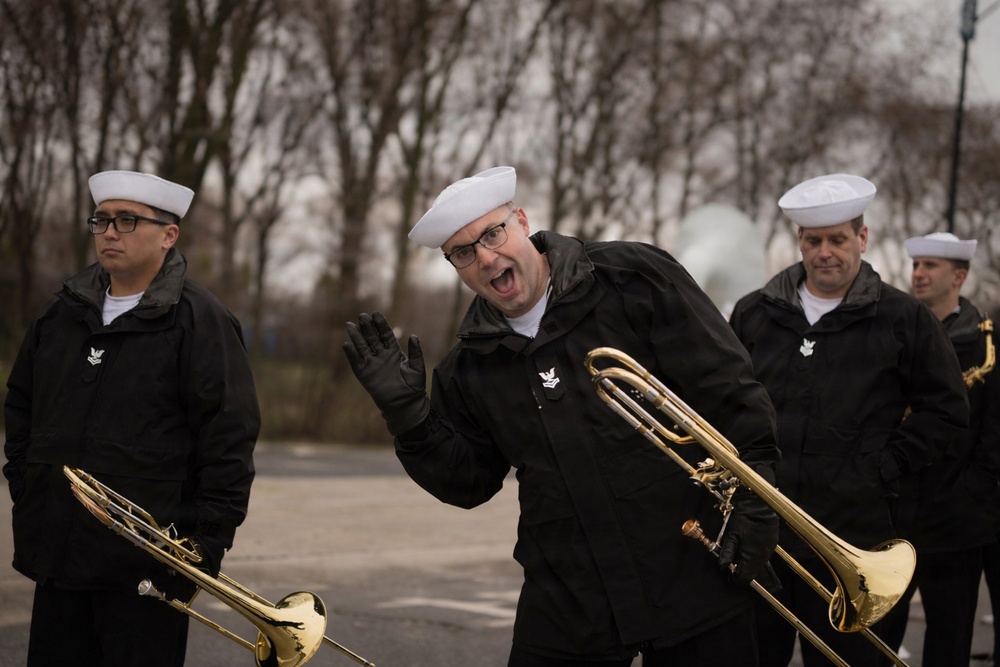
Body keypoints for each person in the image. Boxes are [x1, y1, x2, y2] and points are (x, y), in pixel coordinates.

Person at [344, 166, 782, 666]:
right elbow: (468, 482)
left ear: (522, 222)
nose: (486, 257)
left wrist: (757, 493)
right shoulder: (468, 367)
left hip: (695, 567)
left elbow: (730, 389)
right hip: (568, 600)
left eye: (493, 233)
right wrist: (407, 417)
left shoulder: (634, 278)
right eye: (464, 252)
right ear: (455, 266)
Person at [3, 170, 261, 667]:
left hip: (146, 571)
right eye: (101, 220)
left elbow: (228, 438)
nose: (109, 232)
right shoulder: (59, 314)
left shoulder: (201, 320)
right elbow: (21, 411)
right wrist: (31, 490)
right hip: (58, 558)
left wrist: (206, 543)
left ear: (169, 235)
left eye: (127, 220)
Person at [727, 174, 970, 667]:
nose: (824, 252)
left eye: (837, 239)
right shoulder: (754, 313)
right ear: (799, 242)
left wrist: (880, 470)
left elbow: (947, 412)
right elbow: (724, 402)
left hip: (855, 535)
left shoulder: (903, 318)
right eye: (813, 241)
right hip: (763, 537)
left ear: (862, 238)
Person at [877, 232, 1000, 666]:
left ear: (959, 276)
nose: (918, 274)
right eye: (915, 266)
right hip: (896, 510)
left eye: (930, 266)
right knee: (878, 635)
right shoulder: (895, 331)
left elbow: (994, 433)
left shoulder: (987, 344)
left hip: (956, 516)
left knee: (950, 636)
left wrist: (970, 494)